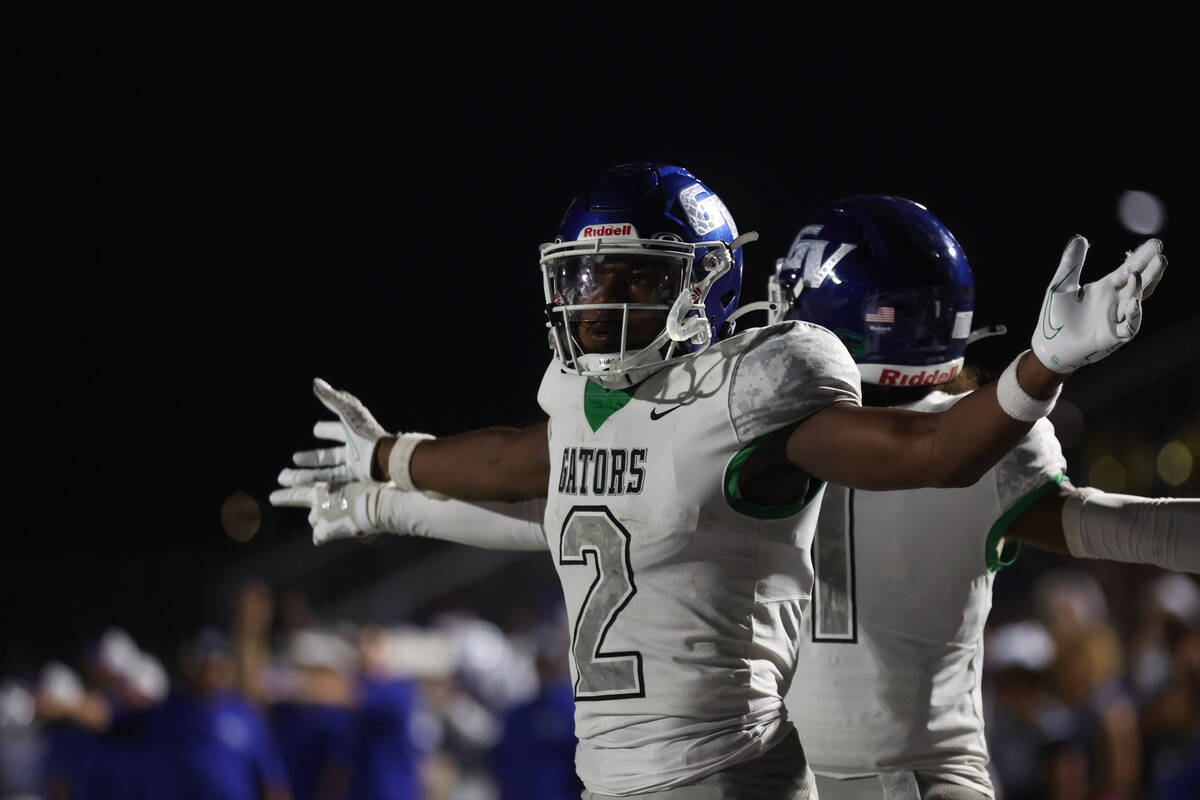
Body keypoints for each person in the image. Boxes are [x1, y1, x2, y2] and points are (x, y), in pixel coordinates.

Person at [271, 163, 1165, 799]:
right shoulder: (616, 403)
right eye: (585, 277)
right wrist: (388, 470)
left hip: (775, 774)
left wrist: (1043, 365)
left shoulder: (760, 401)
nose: (598, 301)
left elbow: (936, 457)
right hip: (640, 772)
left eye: (633, 277)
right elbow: (525, 477)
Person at [763, 195, 1196, 800]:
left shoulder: (753, 434)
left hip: (823, 781)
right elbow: (1130, 528)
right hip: (905, 781)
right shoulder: (984, 433)